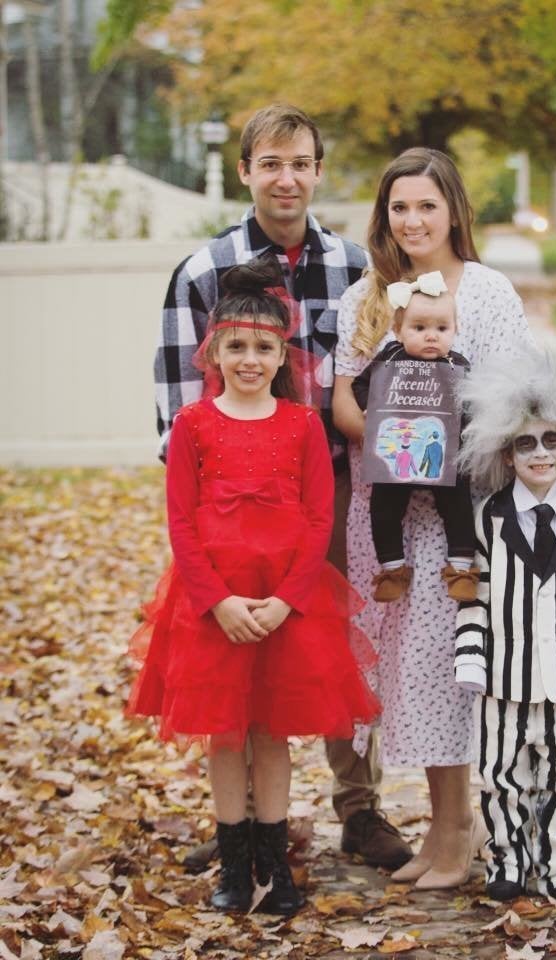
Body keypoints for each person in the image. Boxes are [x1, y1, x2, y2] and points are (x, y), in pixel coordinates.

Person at [155, 102, 411, 871]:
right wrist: (201, 515)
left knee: (330, 647)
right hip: (232, 503)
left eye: (300, 163)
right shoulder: (203, 273)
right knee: (234, 650)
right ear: (246, 173)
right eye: (271, 163)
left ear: (318, 171)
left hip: (331, 487)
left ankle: (359, 809)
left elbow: (387, 375)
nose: (287, 178)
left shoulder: (356, 271)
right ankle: (248, 828)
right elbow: (176, 408)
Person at [128, 260, 380, 916]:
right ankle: (234, 865)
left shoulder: (301, 427)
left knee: (271, 734)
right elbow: (181, 520)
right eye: (235, 346)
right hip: (214, 608)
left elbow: (320, 518)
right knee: (224, 736)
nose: (249, 358)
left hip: (285, 608)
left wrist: (286, 599)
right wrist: (218, 599)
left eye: (263, 347)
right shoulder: (193, 425)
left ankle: (277, 865)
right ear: (212, 351)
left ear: (281, 355)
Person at [333, 147, 534, 889]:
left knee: (456, 670)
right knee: (410, 675)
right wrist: (391, 438)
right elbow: (344, 398)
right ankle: (438, 829)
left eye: (426, 205)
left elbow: (519, 398)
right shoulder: (367, 298)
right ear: (383, 215)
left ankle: (459, 833)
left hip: (462, 515)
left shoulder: (487, 292)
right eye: (398, 207)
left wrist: (452, 443)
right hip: (387, 516)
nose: (412, 220)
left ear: (453, 210)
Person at [454, 344, 556, 904]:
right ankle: (507, 859)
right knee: (501, 775)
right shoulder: (489, 519)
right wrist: (471, 660)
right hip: (503, 678)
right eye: (526, 443)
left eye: (552, 440)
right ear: (507, 453)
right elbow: (474, 597)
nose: (541, 453)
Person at [350, 274, 478, 603]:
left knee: (460, 502)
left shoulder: (458, 365)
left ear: (455, 329)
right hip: (398, 453)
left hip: (443, 453)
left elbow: (476, 403)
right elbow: (359, 386)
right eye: (419, 328)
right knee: (383, 503)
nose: (431, 337)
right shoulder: (390, 359)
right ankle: (392, 568)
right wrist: (372, 408)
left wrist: (465, 423)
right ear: (398, 330)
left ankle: (461, 567)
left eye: (441, 328)